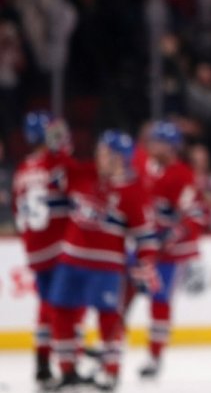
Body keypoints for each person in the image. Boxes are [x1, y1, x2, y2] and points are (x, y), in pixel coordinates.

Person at [48, 131, 158, 390]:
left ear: (120, 158)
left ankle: (111, 372)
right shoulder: (85, 174)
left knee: (108, 318)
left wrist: (145, 269)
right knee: (61, 313)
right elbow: (56, 173)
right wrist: (58, 148)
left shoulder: (134, 191)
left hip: (106, 267)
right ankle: (67, 371)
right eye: (99, 151)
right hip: (71, 260)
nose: (99, 156)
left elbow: (146, 238)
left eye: (105, 152)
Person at [130, 121, 205, 379]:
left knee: (159, 301)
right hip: (142, 245)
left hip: (170, 253)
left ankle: (154, 355)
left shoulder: (183, 175)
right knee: (122, 292)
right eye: (153, 141)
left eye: (160, 142)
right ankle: (110, 345)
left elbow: (194, 215)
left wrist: (172, 234)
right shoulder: (139, 164)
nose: (154, 146)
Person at [12, 112, 75, 388]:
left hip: (35, 248)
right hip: (57, 245)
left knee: (47, 306)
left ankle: (42, 362)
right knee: (61, 307)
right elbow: (75, 192)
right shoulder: (54, 164)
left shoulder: (23, 169)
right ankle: (66, 360)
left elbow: (17, 210)